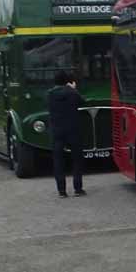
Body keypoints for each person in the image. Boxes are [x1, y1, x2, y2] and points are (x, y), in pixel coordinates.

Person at [47, 70, 86, 198]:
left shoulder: (50, 94)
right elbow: (82, 102)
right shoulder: (72, 93)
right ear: (67, 81)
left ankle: (61, 191)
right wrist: (74, 89)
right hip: (73, 129)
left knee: (58, 161)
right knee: (76, 159)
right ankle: (78, 188)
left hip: (57, 130)